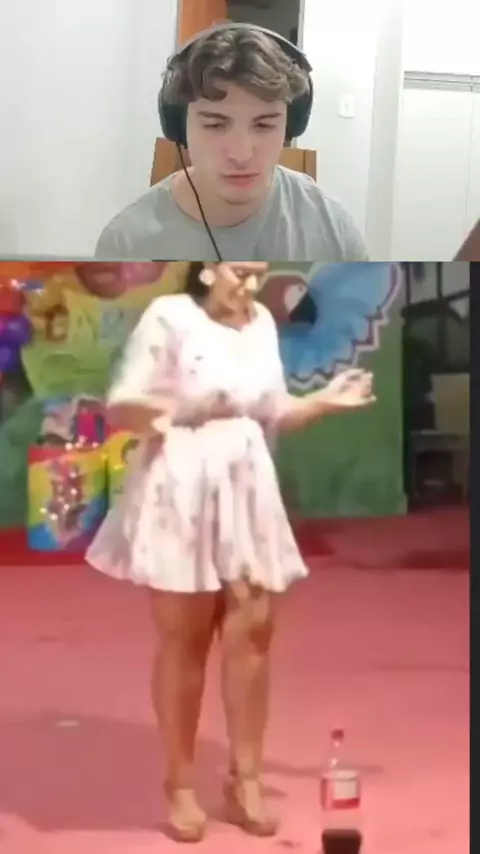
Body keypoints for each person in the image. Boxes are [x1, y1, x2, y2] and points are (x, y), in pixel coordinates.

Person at [86, 261, 375, 843]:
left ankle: (245, 781)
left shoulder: (261, 321)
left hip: (247, 483)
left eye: (257, 274)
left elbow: (272, 411)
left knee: (254, 630)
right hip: (182, 480)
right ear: (206, 267)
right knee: (186, 638)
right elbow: (124, 403)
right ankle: (180, 785)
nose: (249, 286)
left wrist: (324, 401)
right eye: (240, 273)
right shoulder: (170, 315)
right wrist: (160, 414)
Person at [95, 24, 368, 262]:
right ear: (180, 128)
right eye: (215, 125)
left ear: (290, 126)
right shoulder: (126, 244)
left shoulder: (336, 234)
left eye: (264, 125)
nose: (241, 154)